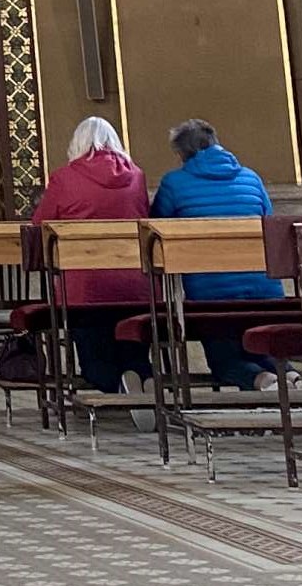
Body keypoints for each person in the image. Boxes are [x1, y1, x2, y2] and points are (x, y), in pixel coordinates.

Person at [149, 118, 282, 393]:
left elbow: (156, 231)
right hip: (264, 289)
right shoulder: (251, 178)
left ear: (182, 154)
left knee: (225, 362)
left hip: (211, 294)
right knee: (262, 348)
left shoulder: (174, 183)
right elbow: (271, 224)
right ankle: (290, 376)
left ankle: (263, 381)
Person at [28, 116, 152, 395]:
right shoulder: (137, 176)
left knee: (95, 357)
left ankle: (116, 386)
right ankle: (140, 378)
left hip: (85, 288)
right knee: (133, 345)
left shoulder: (64, 178)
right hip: (135, 284)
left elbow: (39, 227)